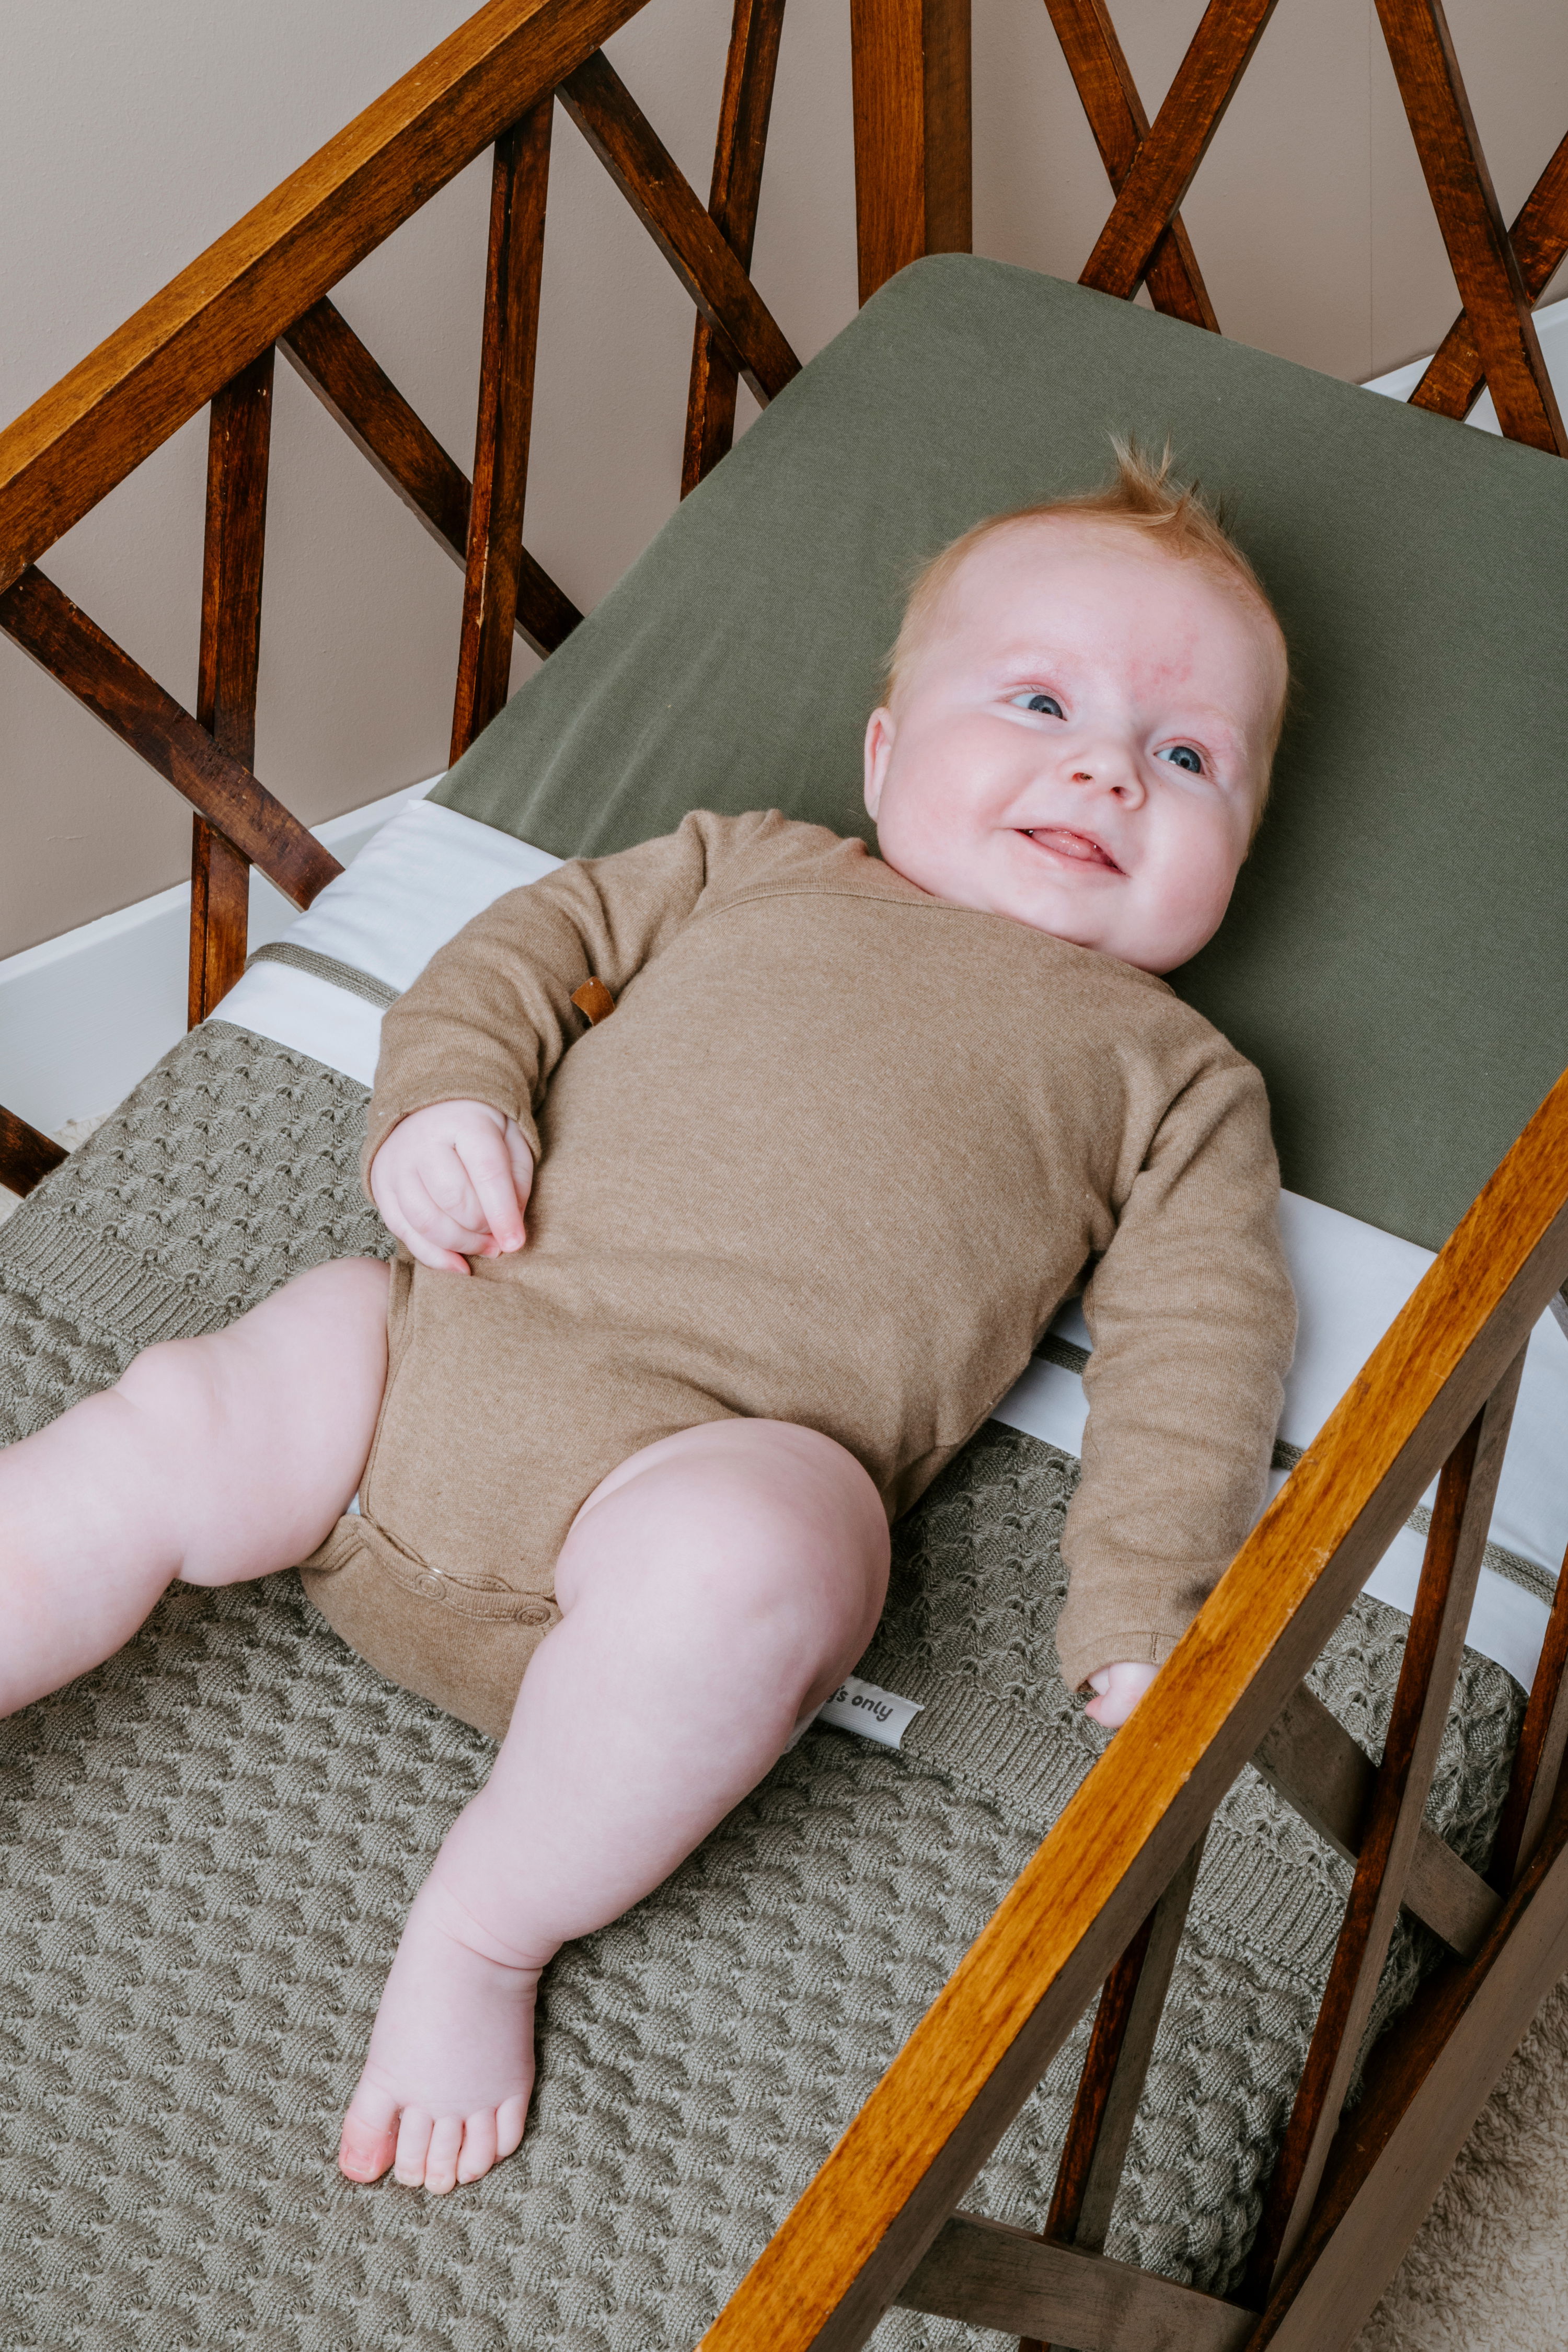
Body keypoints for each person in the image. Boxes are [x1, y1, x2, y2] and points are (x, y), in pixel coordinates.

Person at [1, 444, 1296, 2196]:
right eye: (1045, 698)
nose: (1103, 767)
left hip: (692, 1491)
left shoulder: (1175, 1075)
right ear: (884, 752)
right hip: (432, 1357)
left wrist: (1146, 1608)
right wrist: (446, 1101)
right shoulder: (753, 859)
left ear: (1242, 842)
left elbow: (1200, 1349)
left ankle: (480, 1927)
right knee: (182, 1407)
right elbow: (518, 951)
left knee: (776, 1560)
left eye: (1188, 757)